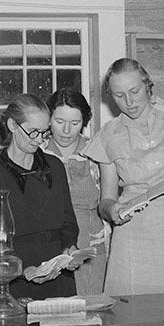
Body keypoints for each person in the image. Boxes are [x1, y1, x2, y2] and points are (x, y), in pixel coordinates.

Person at [84, 58, 164, 309]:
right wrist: (112, 211)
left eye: (135, 91)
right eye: (120, 95)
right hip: (134, 233)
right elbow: (107, 200)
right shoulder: (108, 136)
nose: (130, 102)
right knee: (133, 312)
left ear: (148, 85)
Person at [0, 94, 80, 301]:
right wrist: (22, 269)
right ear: (13, 125)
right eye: (33, 132)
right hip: (15, 283)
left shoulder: (55, 167)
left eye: (44, 132)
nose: (40, 140)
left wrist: (70, 249)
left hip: (59, 280)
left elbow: (69, 221)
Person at [45, 88, 108, 296]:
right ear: (48, 118)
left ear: (84, 122)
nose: (66, 130)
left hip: (90, 244)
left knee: (90, 304)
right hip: (50, 242)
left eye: (74, 123)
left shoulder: (96, 151)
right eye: (59, 121)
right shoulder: (38, 154)